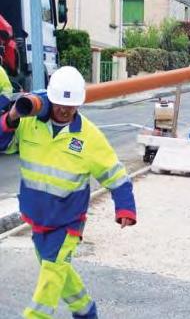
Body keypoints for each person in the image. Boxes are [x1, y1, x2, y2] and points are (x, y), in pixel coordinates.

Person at [0, 66, 137, 318]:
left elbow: (115, 174)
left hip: (67, 222)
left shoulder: (89, 137)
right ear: (49, 99)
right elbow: (3, 144)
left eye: (71, 105)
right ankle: (85, 311)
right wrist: (10, 119)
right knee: (58, 270)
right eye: (60, 104)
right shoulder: (29, 124)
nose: (65, 110)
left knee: (50, 278)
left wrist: (125, 207)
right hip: (37, 217)